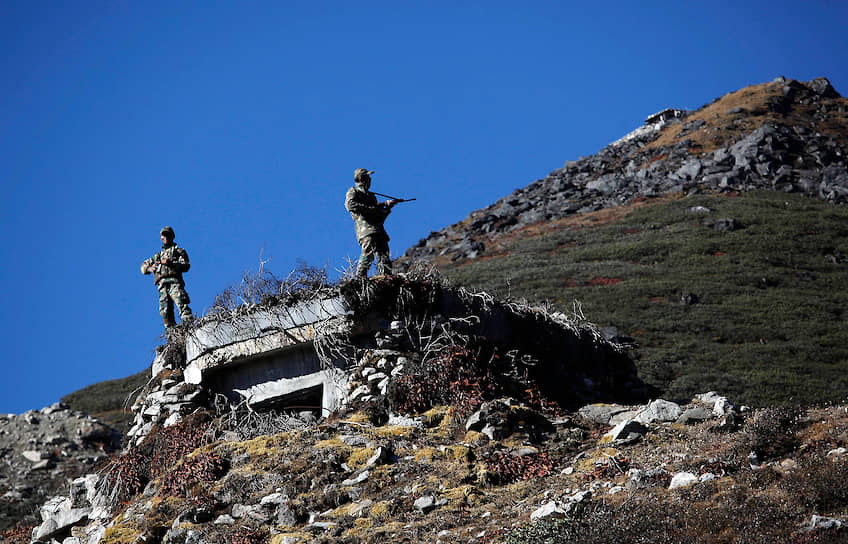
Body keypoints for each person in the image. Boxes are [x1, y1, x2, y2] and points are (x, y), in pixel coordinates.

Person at [345, 168, 398, 278]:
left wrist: (387, 208)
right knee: (368, 253)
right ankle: (360, 278)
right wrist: (373, 209)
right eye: (368, 177)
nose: (370, 180)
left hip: (378, 230)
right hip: (366, 230)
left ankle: (386, 277)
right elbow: (350, 205)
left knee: (384, 255)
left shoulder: (371, 196)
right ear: (361, 178)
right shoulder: (353, 191)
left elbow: (379, 218)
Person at [141, 226, 193, 328]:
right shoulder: (158, 256)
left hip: (174, 282)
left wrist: (172, 263)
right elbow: (143, 266)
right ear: (161, 238)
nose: (166, 237)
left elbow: (186, 265)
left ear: (172, 236)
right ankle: (172, 334)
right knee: (165, 312)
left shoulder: (178, 251)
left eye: (168, 235)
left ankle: (189, 326)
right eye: (163, 235)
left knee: (181, 303)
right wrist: (149, 269)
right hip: (162, 286)